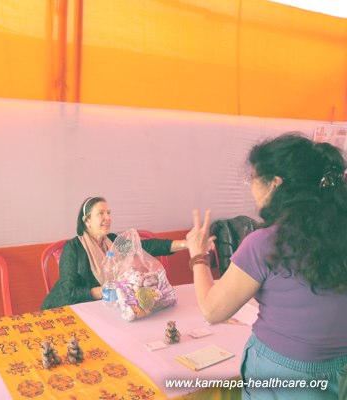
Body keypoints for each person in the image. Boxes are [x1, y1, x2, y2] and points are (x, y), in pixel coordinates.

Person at [186, 133, 347, 399]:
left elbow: (213, 310)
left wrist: (198, 256)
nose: (251, 188)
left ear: (275, 184)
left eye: (253, 179)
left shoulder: (265, 243)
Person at [42, 196, 191, 309]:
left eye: (109, 213)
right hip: (64, 310)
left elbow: (146, 247)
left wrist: (185, 244)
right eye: (101, 213)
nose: (108, 218)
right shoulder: (73, 248)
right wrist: (104, 292)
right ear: (87, 220)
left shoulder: (112, 241)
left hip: (100, 308)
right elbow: (68, 292)